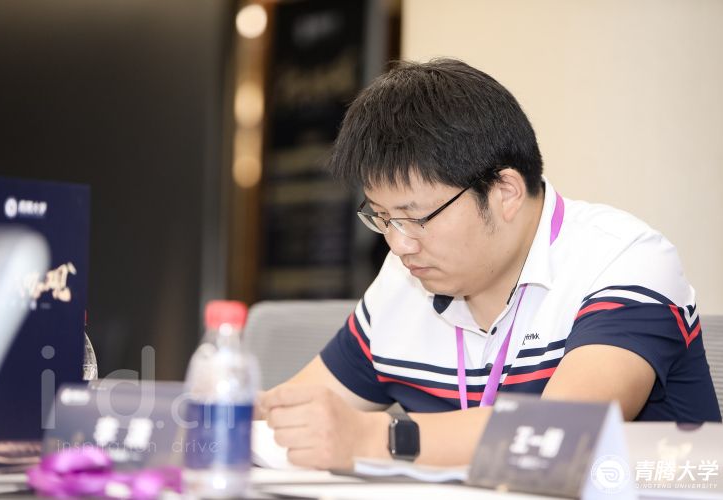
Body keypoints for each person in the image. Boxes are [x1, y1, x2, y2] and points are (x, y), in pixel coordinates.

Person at [258, 58, 721, 469]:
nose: (398, 245)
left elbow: (563, 435)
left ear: (505, 192)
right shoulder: (403, 279)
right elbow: (297, 418)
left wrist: (375, 438)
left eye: (416, 218)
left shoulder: (625, 259)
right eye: (383, 218)